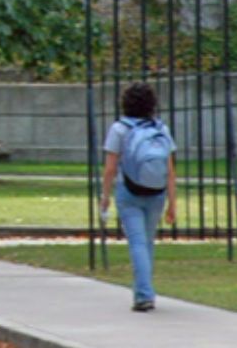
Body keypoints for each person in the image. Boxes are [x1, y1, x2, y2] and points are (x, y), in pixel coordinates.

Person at [100, 82, 178, 312]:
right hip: (157, 192)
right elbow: (170, 170)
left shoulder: (119, 129)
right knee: (147, 242)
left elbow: (110, 168)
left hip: (129, 191)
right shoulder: (161, 129)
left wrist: (105, 196)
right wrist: (172, 202)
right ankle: (144, 289)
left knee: (137, 242)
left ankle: (144, 294)